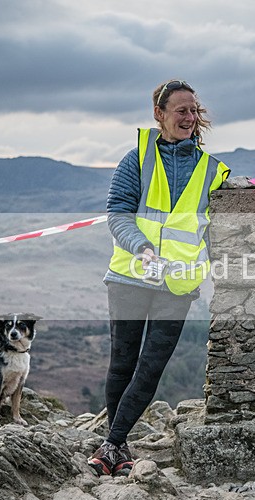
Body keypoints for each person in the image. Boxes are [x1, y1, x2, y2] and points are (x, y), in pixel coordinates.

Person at [88, 80, 229, 476]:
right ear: (159, 114)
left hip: (178, 285)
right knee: (122, 363)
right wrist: (142, 248)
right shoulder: (136, 159)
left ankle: (112, 445)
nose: (189, 117)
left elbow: (217, 229)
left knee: (150, 368)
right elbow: (118, 213)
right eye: (181, 110)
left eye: (194, 110)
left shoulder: (213, 171)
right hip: (130, 277)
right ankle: (118, 446)